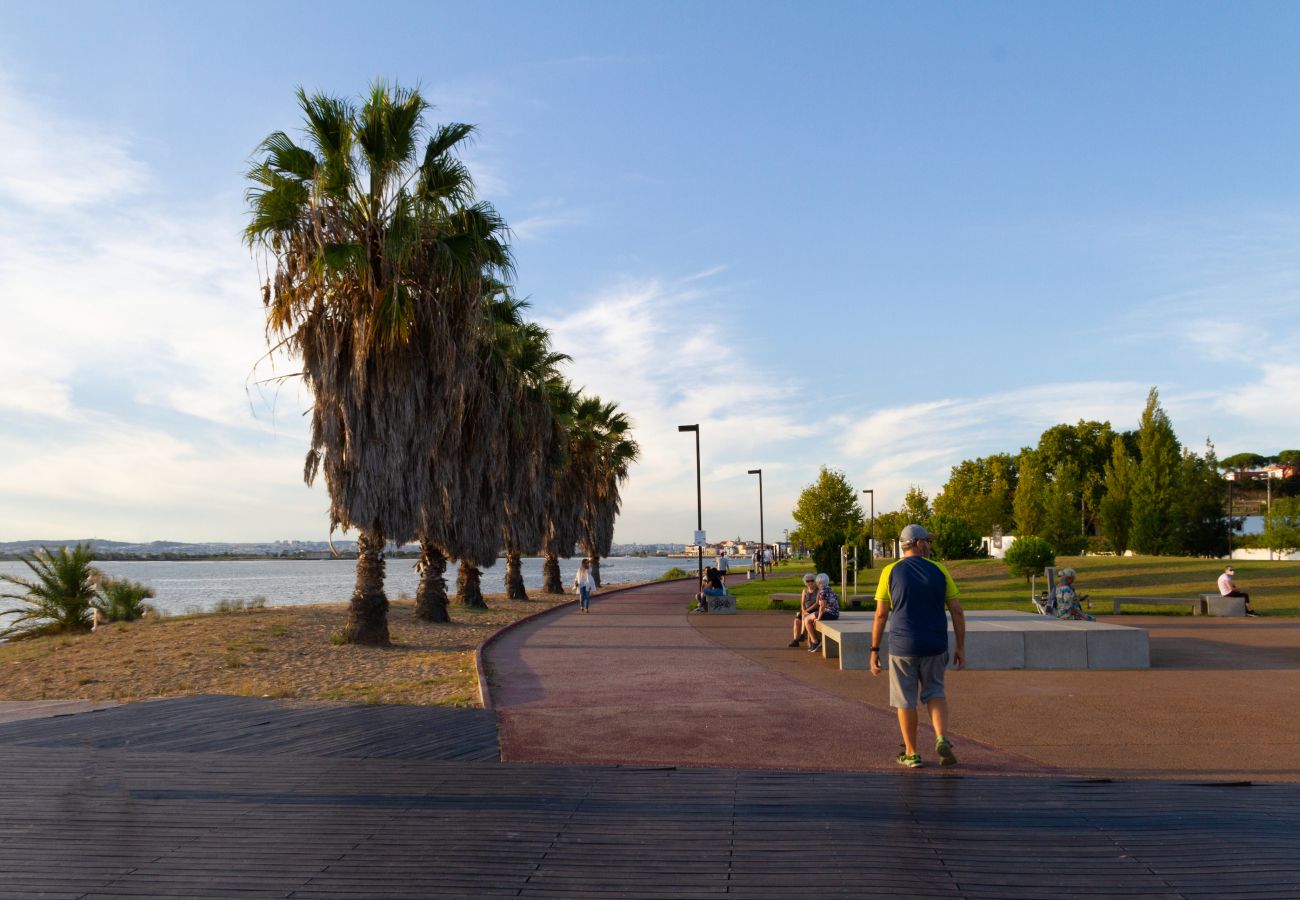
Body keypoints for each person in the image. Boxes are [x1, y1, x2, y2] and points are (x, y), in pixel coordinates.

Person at [870, 524, 965, 769]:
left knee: (905, 701)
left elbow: (881, 615)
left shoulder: (890, 572)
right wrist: (960, 647)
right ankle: (941, 737)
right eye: (927, 541)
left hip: (902, 646)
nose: (930, 545)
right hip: (935, 644)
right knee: (935, 692)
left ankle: (912, 753)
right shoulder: (939, 570)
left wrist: (874, 650)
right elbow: (957, 610)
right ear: (916, 543)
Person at [803, 572, 840, 653]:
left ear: (818, 581)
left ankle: (815, 641)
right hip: (834, 613)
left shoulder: (822, 591)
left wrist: (818, 618)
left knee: (807, 620)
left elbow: (822, 606)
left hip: (829, 613)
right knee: (809, 618)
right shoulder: (828, 588)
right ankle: (814, 641)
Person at [788, 573, 819, 646]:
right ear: (805, 582)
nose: (810, 582)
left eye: (812, 580)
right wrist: (804, 610)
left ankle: (802, 634)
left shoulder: (818, 590)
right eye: (808, 581)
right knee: (796, 621)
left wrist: (807, 611)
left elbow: (817, 603)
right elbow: (802, 603)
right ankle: (796, 640)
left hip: (814, 610)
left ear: (814, 581)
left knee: (805, 616)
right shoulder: (804, 590)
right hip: (805, 610)